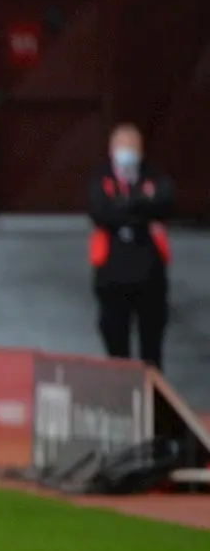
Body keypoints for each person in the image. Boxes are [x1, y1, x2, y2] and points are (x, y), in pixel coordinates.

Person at [87, 123, 174, 370]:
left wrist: (126, 206)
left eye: (132, 147)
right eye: (122, 147)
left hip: (149, 273)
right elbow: (100, 211)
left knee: (152, 345)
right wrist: (139, 209)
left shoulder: (154, 177)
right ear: (111, 150)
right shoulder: (100, 178)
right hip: (112, 274)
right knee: (115, 338)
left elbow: (165, 203)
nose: (127, 152)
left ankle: (152, 387)